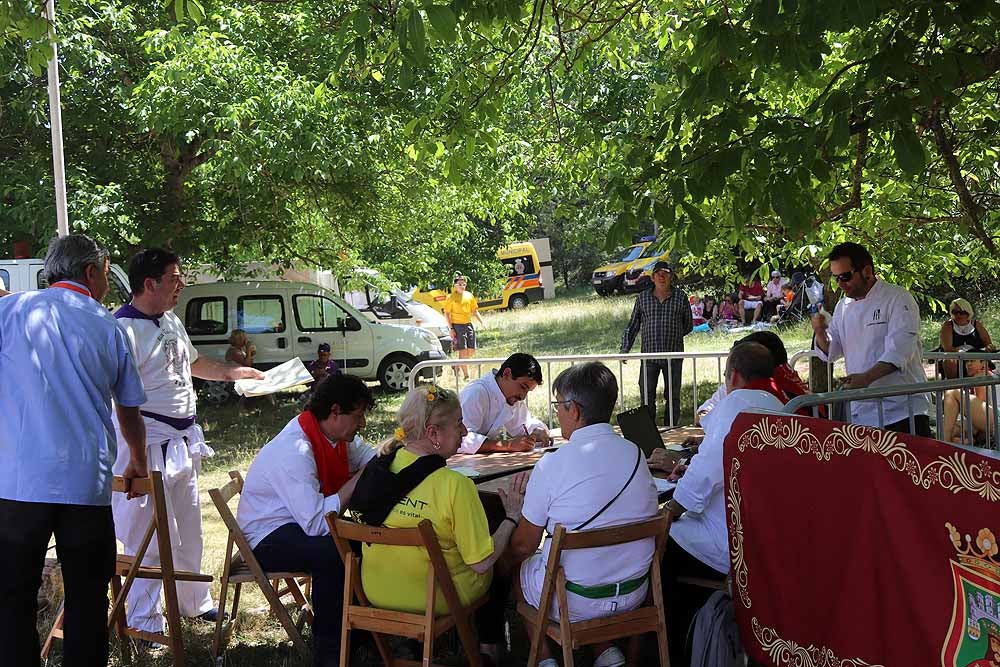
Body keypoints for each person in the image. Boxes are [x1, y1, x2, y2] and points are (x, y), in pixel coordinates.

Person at [0, 234, 148, 666]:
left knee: (13, 596)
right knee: (87, 599)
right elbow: (129, 409)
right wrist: (138, 460)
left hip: (19, 480)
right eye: (105, 271)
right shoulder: (108, 326)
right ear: (90, 272)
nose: (107, 280)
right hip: (84, 482)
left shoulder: (13, 312)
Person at [111, 248, 264, 643]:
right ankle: (144, 620)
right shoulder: (122, 330)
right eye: (175, 278)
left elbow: (192, 363)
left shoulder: (171, 321)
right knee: (145, 536)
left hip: (181, 442)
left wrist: (234, 373)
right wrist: (137, 456)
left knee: (188, 529)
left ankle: (192, 603)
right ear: (150, 283)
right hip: (145, 445)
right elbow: (117, 398)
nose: (181, 285)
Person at [359, 385, 526, 666]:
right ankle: (489, 649)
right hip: (434, 596)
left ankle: (410, 647)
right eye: (459, 423)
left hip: (376, 589)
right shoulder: (455, 486)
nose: (464, 432)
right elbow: (481, 562)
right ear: (433, 433)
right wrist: (511, 516)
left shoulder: (378, 468)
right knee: (500, 561)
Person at [507, 362, 658, 667]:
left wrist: (513, 514)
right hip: (635, 592)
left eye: (558, 406)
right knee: (588, 564)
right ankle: (605, 651)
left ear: (573, 409)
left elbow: (523, 545)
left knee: (519, 569)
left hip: (575, 600)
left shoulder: (552, 465)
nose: (558, 413)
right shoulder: (635, 453)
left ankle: (546, 660)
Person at [655, 342, 786, 666]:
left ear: (734, 376)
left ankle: (669, 650)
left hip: (730, 543)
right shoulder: (782, 406)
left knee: (660, 547)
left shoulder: (734, 405)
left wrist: (670, 510)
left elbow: (705, 473)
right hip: (768, 538)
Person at [237, 373, 376, 666]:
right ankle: (329, 652)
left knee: (365, 541)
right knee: (333, 554)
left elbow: (372, 459)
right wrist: (356, 483)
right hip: (265, 537)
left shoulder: (333, 434)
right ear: (335, 411)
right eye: (359, 415)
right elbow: (316, 523)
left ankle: (359, 631)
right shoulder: (295, 449)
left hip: (294, 523)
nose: (362, 423)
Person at [811, 242, 931, 436]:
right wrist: (819, 332)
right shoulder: (843, 307)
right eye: (836, 278)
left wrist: (866, 378)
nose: (841, 284)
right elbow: (831, 351)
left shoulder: (898, 298)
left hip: (902, 411)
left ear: (867, 271)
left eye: (846, 276)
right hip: (862, 412)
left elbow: (899, 352)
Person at [620, 261, 693, 427]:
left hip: (673, 356)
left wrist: (672, 336)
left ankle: (672, 428)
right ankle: (648, 430)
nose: (662, 277)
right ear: (652, 277)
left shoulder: (680, 297)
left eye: (666, 273)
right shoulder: (643, 298)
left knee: (673, 395)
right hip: (649, 356)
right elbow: (633, 326)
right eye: (658, 273)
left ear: (671, 277)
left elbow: (688, 325)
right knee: (646, 395)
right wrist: (625, 349)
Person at [458, 352, 548, 453]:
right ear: (507, 374)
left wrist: (537, 431)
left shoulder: (511, 396)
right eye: (523, 387)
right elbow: (461, 438)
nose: (523, 396)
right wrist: (508, 445)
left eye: (528, 391)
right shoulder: (476, 392)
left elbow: (524, 425)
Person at [941, 358, 996, 445]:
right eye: (967, 361)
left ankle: (944, 443)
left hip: (995, 419)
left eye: (972, 360)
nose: (968, 364)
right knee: (955, 433)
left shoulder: (981, 376)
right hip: (991, 420)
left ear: (984, 363)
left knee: (952, 392)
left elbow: (978, 414)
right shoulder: (988, 375)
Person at [939, 297, 995, 379]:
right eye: (955, 312)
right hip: (956, 359)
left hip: (975, 358)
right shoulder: (948, 325)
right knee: (950, 361)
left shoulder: (976, 324)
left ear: (968, 313)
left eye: (961, 312)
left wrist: (989, 347)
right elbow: (948, 348)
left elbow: (988, 343)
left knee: (978, 362)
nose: (958, 315)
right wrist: (962, 352)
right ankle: (953, 388)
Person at [443, 273, 484, 380]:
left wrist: (482, 321)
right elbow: (446, 314)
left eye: (464, 284)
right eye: (460, 284)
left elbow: (475, 310)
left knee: (472, 350)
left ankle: (457, 364)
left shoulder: (469, 295)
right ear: (455, 285)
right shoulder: (450, 297)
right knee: (463, 350)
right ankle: (466, 376)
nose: (462, 286)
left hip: (468, 324)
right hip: (457, 326)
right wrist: (451, 329)